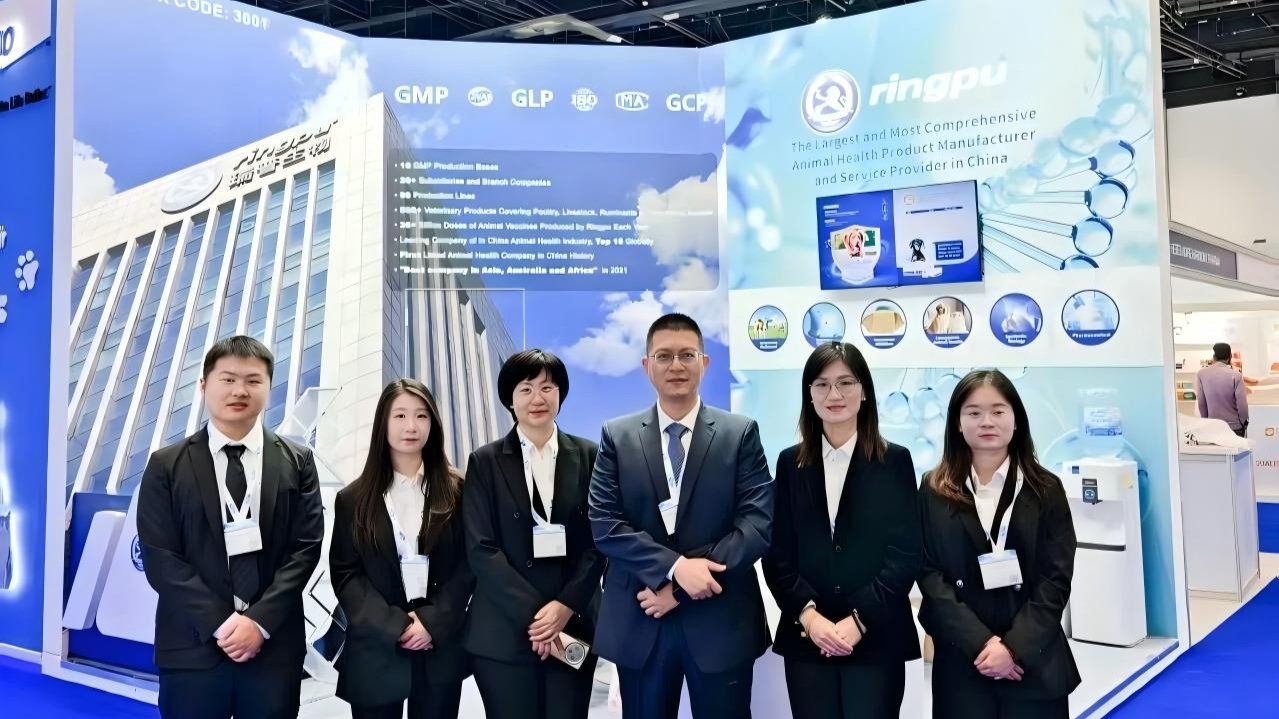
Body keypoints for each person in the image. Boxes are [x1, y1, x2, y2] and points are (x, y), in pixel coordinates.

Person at [588, 312, 774, 719]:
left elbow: (756, 524)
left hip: (719, 622)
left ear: (704, 363)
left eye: (687, 355)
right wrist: (674, 568)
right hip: (641, 618)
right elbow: (605, 524)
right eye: (664, 356)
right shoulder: (617, 436)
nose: (676, 365)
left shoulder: (740, 433)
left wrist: (682, 587)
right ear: (647, 365)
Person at [137, 336, 324, 719]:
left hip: (273, 650)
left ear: (269, 387)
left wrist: (259, 623)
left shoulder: (298, 461)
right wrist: (221, 624)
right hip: (192, 648)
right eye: (228, 379)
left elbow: (305, 549)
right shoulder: (165, 466)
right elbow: (161, 557)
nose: (240, 391)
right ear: (204, 385)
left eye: (253, 380)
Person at [763, 342, 921, 719]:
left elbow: (905, 554)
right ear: (809, 394)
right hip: (808, 638)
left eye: (846, 383)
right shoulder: (789, 463)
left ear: (864, 391)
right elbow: (777, 551)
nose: (834, 394)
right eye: (822, 384)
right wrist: (809, 617)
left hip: (876, 636)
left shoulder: (894, 461)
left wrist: (859, 620)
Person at [918, 369, 1079, 719]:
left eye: (998, 411)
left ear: (1016, 419)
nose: (986, 421)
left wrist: (1013, 648)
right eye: (974, 412)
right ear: (957, 423)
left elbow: (1056, 577)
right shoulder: (933, 489)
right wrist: (982, 644)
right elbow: (929, 574)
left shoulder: (1046, 488)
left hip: (1032, 663)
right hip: (963, 664)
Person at [463, 350, 605, 719]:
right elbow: (481, 548)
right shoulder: (485, 461)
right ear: (510, 399)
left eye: (547, 387)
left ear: (560, 394)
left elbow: (599, 542)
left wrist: (563, 608)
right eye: (525, 389)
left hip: (572, 625)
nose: (537, 398)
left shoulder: (590, 455)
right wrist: (539, 619)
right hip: (504, 631)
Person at [329, 379, 472, 718]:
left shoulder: (459, 490)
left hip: (438, 647)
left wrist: (431, 621)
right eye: (400, 416)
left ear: (433, 424)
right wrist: (394, 625)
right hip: (376, 649)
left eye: (422, 416)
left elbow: (470, 565)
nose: (411, 426)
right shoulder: (353, 499)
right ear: (383, 422)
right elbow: (346, 575)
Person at [1196, 342, 1249, 437]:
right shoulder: (1237, 376)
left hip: (1213, 426)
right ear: (1230, 356)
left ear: (1214, 357)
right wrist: (1243, 423)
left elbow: (1201, 403)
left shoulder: (1202, 374)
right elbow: (1242, 405)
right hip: (1234, 427)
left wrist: (1207, 422)